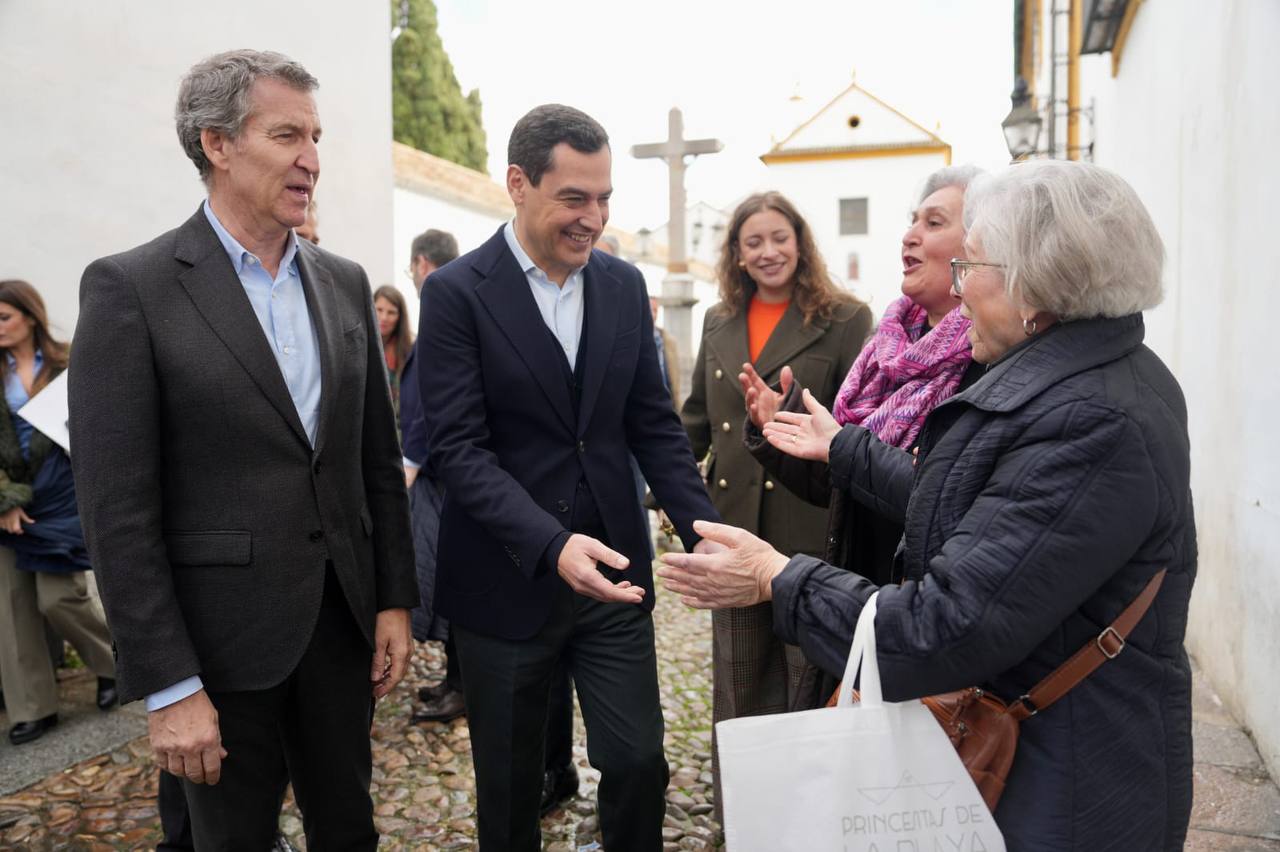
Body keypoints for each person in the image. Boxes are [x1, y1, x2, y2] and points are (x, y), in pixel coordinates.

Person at [658, 160, 1195, 850]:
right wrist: (843, 449)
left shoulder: (1091, 420)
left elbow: (944, 627)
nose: (960, 288)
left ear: (1040, 284)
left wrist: (776, 577)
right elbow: (962, 500)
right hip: (1042, 760)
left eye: (973, 266)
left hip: (1064, 786)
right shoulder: (1067, 382)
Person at [68, 49, 418, 850]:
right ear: (217, 144)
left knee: (350, 831)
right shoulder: (134, 289)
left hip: (338, 632)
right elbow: (117, 511)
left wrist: (394, 598)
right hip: (217, 654)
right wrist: (168, 684)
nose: (312, 160)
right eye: (287, 135)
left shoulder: (343, 282)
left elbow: (372, 462)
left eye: (317, 137)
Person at [419, 103, 721, 851]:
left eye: (606, 197)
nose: (594, 217)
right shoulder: (457, 293)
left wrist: (707, 532)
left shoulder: (621, 287)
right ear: (518, 185)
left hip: (615, 570)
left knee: (639, 761)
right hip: (505, 580)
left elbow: (651, 423)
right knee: (513, 787)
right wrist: (552, 545)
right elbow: (457, 449)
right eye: (575, 198)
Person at [679, 191, 871, 818]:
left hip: (808, 530)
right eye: (752, 242)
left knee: (803, 681)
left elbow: (854, 427)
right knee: (736, 682)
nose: (768, 252)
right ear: (736, 253)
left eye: (779, 238)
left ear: (800, 241)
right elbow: (698, 420)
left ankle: (808, 815)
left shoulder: (845, 318)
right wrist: (675, 497)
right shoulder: (717, 319)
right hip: (731, 529)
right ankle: (742, 811)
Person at [741, 166, 984, 590]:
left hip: (920, 597)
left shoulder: (987, 355)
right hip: (858, 587)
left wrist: (841, 446)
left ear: (979, 245)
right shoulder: (883, 348)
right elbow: (839, 490)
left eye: (934, 223)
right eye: (912, 220)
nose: (910, 235)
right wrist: (783, 422)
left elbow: (946, 499)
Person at [0, 280, 117, 746]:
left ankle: (116, 666)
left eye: (5, 317)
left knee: (59, 597)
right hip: (11, 499)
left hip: (64, 495)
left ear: (30, 316)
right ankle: (33, 706)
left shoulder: (69, 362)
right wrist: (5, 501)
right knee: (12, 606)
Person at [373, 284, 412, 404]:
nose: (384, 317)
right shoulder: (358, 348)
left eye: (391, 312)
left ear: (400, 317)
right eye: (379, 310)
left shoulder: (409, 350)